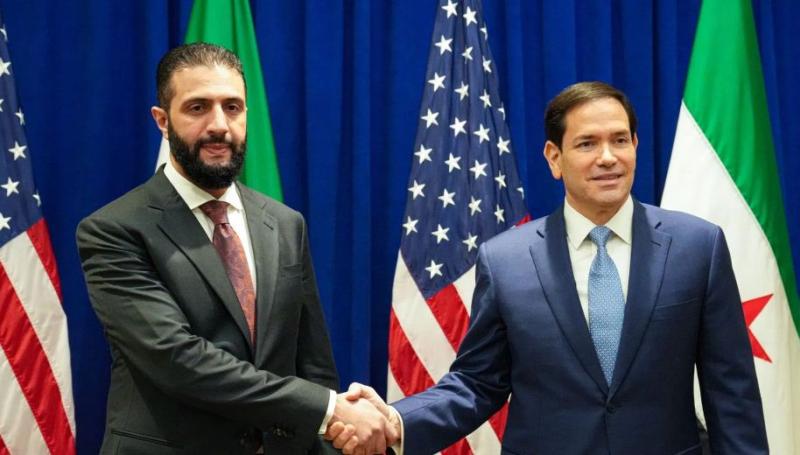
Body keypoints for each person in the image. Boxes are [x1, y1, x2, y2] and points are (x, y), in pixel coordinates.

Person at [331, 81, 768, 454]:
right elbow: (478, 383)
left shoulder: (698, 247)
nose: (608, 157)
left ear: (635, 146)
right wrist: (395, 421)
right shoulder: (505, 261)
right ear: (554, 157)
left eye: (620, 140)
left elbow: (731, 391)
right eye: (587, 143)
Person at [77, 43, 395, 455]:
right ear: (163, 121)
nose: (219, 125)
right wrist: (330, 409)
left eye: (232, 107)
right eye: (197, 108)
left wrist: (331, 428)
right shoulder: (114, 230)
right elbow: (177, 359)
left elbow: (312, 361)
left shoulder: (285, 223)